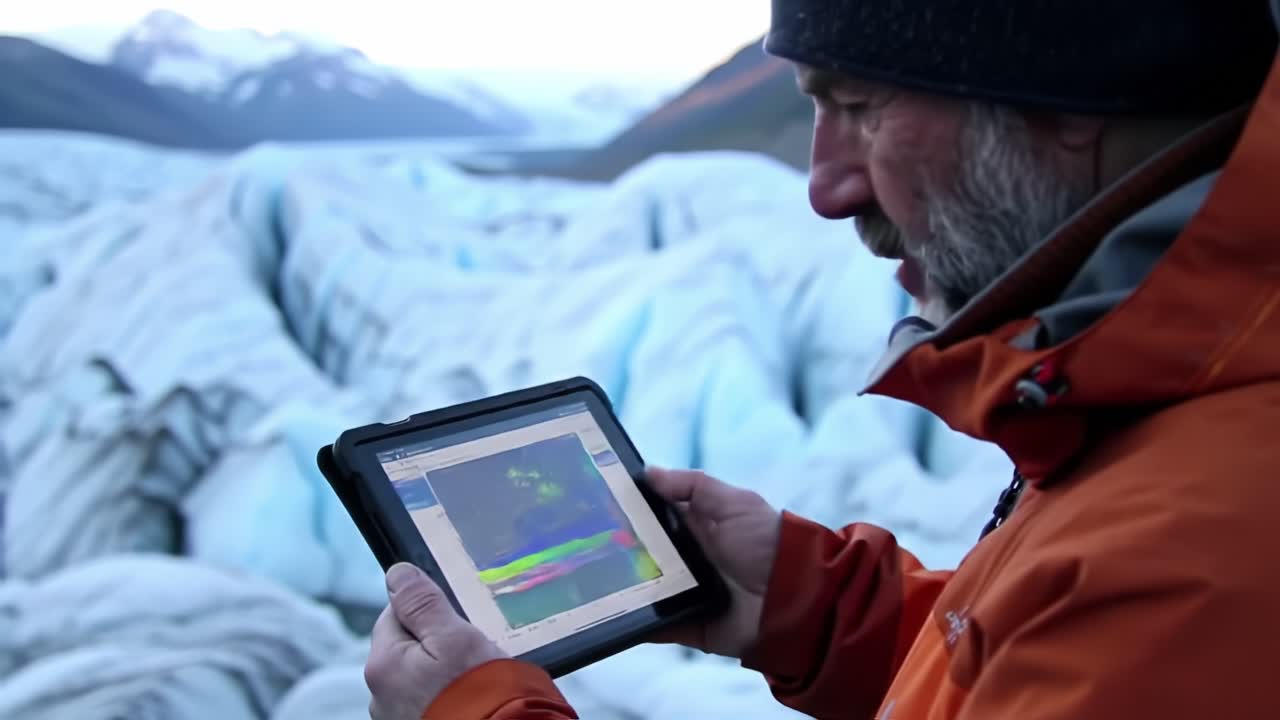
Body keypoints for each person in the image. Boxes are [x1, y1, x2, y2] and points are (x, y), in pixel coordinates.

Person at [364, 2, 1280, 718]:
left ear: (1069, 92)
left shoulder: (1188, 559)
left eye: (857, 105)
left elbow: (1130, 637)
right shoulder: (1190, 406)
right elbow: (1067, 673)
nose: (827, 186)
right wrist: (820, 610)